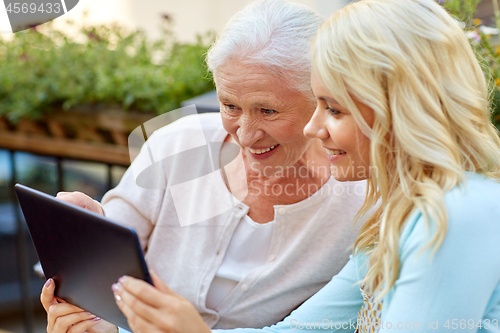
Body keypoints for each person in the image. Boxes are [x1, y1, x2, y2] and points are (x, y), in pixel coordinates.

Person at [101, 0, 500, 332]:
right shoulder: (400, 213)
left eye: (333, 109)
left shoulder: (454, 214)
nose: (314, 127)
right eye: (230, 106)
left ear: (400, 112)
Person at [40, 1, 368, 332]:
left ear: (320, 100)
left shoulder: (361, 199)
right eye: (230, 105)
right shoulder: (179, 143)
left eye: (268, 111)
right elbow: (102, 280)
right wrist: (83, 251)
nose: (245, 134)